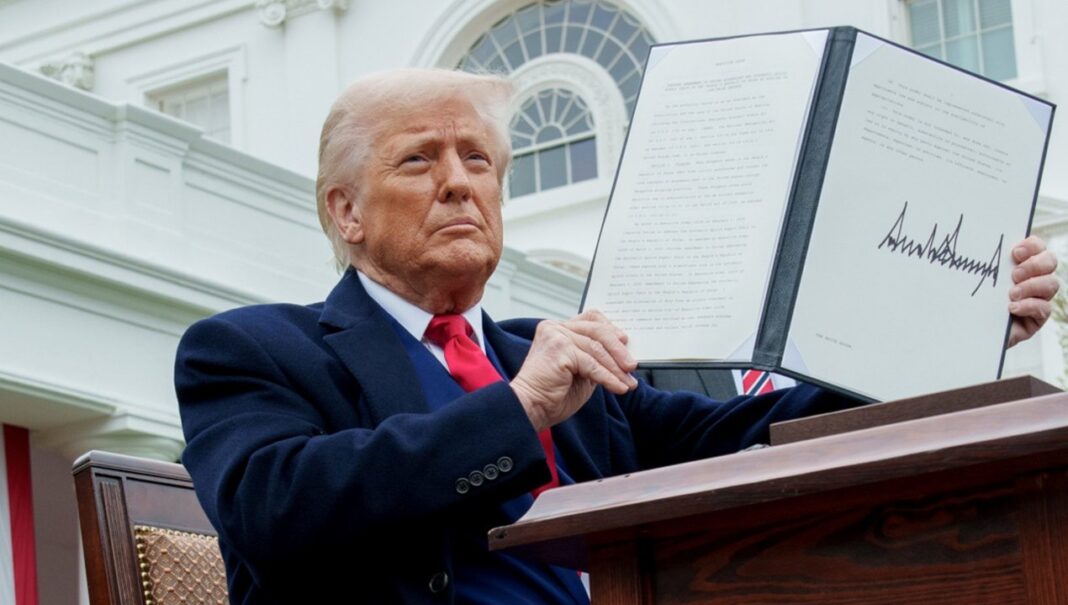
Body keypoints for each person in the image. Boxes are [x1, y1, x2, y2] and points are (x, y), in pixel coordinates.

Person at [175, 69, 1058, 605]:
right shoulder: (253, 350)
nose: (459, 184)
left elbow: (755, 435)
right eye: (420, 159)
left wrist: (944, 326)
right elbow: (270, 506)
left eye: (478, 160)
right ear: (346, 211)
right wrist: (518, 413)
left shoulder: (559, 355)